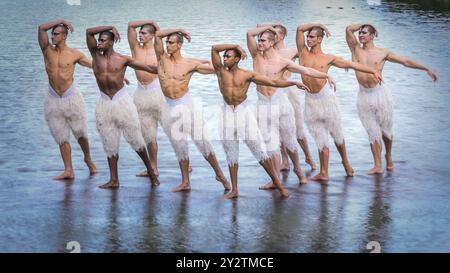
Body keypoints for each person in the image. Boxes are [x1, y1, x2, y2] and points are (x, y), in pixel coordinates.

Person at [211, 44, 310, 198]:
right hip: (226, 114)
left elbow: (273, 82)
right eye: (224, 56)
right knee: (231, 153)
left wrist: (293, 83)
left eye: (228, 56)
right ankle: (235, 190)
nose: (224, 59)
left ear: (236, 59)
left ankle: (278, 184)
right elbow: (214, 49)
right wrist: (236, 46)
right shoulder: (220, 71)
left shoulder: (247, 75)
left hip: (243, 113)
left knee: (259, 151)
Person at [247, 25, 334, 189]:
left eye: (263, 40)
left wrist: (327, 75)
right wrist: (269, 28)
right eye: (259, 40)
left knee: (290, 142)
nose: (259, 42)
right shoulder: (256, 57)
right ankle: (276, 180)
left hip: (281, 104)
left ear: (271, 43)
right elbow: (249, 32)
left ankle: (299, 170)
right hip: (263, 105)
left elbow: (306, 70)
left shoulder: (282, 62)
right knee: (271, 145)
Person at [346, 23, 438, 174]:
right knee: (372, 131)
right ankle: (377, 165)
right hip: (363, 95)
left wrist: (426, 68)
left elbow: (405, 62)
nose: (360, 35)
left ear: (372, 35)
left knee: (386, 131)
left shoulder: (383, 53)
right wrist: (365, 24)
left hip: (380, 94)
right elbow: (348, 29)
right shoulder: (355, 49)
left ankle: (388, 156)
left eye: (364, 33)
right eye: (360, 33)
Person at [296, 23, 383, 181]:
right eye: (308, 37)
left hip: (326, 99)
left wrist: (372, 70)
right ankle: (324, 172)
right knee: (320, 137)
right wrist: (319, 25)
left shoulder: (328, 58)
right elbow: (299, 29)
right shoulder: (302, 53)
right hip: (310, 101)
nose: (308, 39)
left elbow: (351, 64)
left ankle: (345, 162)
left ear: (320, 39)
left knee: (337, 135)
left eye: (312, 37)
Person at [154, 28, 230, 192]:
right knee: (179, 146)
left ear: (179, 45)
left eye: (171, 42)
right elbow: (158, 36)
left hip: (186, 106)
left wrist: (221, 67)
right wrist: (178, 29)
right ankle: (185, 182)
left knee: (203, 143)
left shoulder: (189, 64)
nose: (168, 45)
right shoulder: (161, 59)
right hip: (169, 107)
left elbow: (217, 70)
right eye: (167, 42)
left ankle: (220, 174)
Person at [86, 25, 159, 188]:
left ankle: (152, 172)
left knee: (136, 140)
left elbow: (147, 67)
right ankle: (114, 180)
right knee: (109, 142)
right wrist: (110, 27)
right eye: (99, 40)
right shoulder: (95, 56)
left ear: (111, 42)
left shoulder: (122, 59)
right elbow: (89, 32)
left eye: (103, 40)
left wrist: (165, 70)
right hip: (104, 102)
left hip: (122, 102)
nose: (99, 43)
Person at [38, 20, 97, 180]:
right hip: (53, 98)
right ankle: (68, 170)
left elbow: (94, 65)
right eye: (52, 34)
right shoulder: (47, 50)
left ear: (64, 36)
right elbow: (41, 28)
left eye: (56, 34)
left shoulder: (74, 54)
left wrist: (116, 75)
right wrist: (61, 22)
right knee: (61, 135)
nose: (52, 36)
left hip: (71, 97)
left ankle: (88, 159)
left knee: (80, 133)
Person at [257, 22, 316, 171]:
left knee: (297, 128)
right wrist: (272, 26)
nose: (272, 36)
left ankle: (308, 156)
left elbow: (307, 58)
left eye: (276, 33)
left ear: (282, 36)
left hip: (289, 91)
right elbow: (259, 26)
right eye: (271, 33)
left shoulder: (291, 51)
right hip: (273, 92)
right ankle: (284, 161)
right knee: (277, 129)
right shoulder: (265, 53)